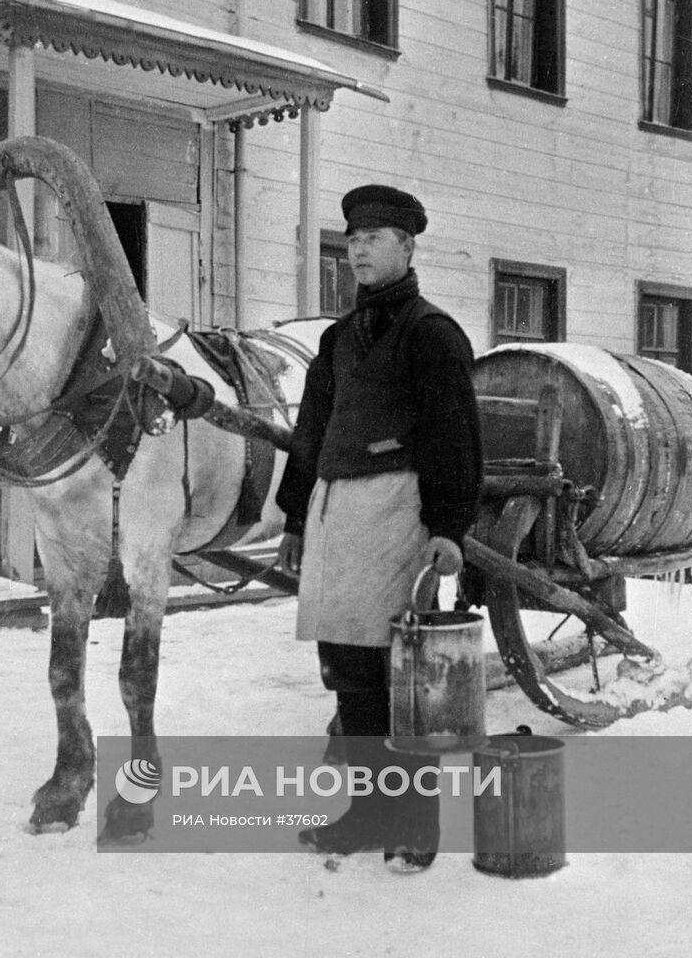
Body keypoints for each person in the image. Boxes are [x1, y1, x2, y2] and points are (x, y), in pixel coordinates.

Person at [276, 184, 482, 874]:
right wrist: (296, 515)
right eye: (354, 239)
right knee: (347, 669)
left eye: (375, 238)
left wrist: (449, 527)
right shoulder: (338, 339)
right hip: (338, 514)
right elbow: (312, 434)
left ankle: (415, 822)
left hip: (399, 510)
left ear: (408, 247)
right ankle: (366, 812)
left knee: (400, 678)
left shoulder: (432, 334)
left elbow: (456, 439)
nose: (360, 248)